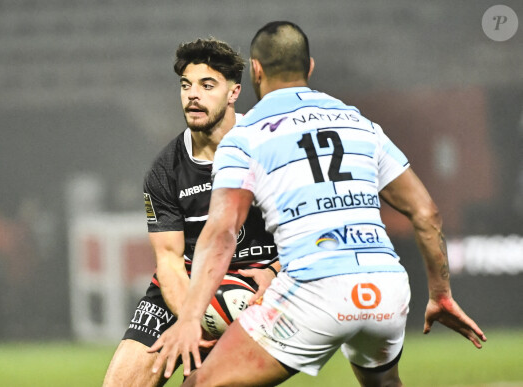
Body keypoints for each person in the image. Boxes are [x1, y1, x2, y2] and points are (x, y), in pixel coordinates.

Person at [149, 21, 487, 386]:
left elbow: (222, 232)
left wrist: (188, 319)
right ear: (309, 67)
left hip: (315, 290)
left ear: (256, 69)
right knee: (384, 384)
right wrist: (440, 294)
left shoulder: (245, 137)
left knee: (199, 384)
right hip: (386, 288)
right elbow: (426, 213)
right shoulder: (361, 125)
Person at [102, 38, 280, 387]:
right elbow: (168, 261)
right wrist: (192, 322)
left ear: (233, 93)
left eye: (207, 85)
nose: (192, 95)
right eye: (186, 85)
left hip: (260, 287)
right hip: (185, 288)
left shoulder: (269, 146)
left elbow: (312, 225)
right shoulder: (165, 170)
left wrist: (276, 270)